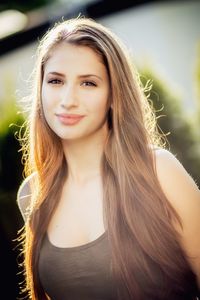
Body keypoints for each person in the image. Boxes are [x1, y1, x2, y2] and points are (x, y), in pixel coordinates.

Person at [16, 17, 200, 300]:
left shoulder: (159, 171)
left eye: (88, 83)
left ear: (114, 95)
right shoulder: (32, 194)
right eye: (55, 81)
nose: (68, 99)